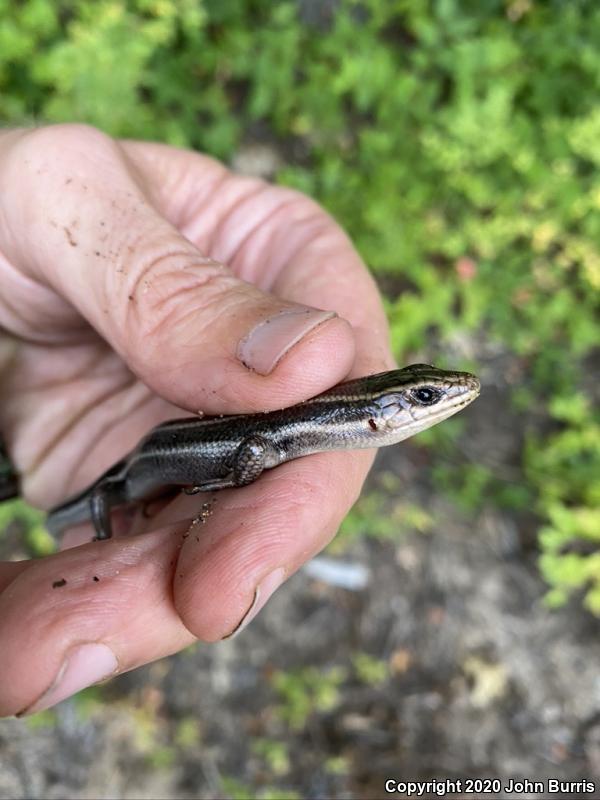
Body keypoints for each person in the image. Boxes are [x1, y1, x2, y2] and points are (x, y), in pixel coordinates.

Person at [0, 124, 394, 716]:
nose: (434, 403)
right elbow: (258, 444)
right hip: (145, 461)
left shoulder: (318, 425)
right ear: (376, 415)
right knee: (114, 502)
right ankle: (77, 517)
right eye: (420, 397)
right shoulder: (298, 424)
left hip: (145, 450)